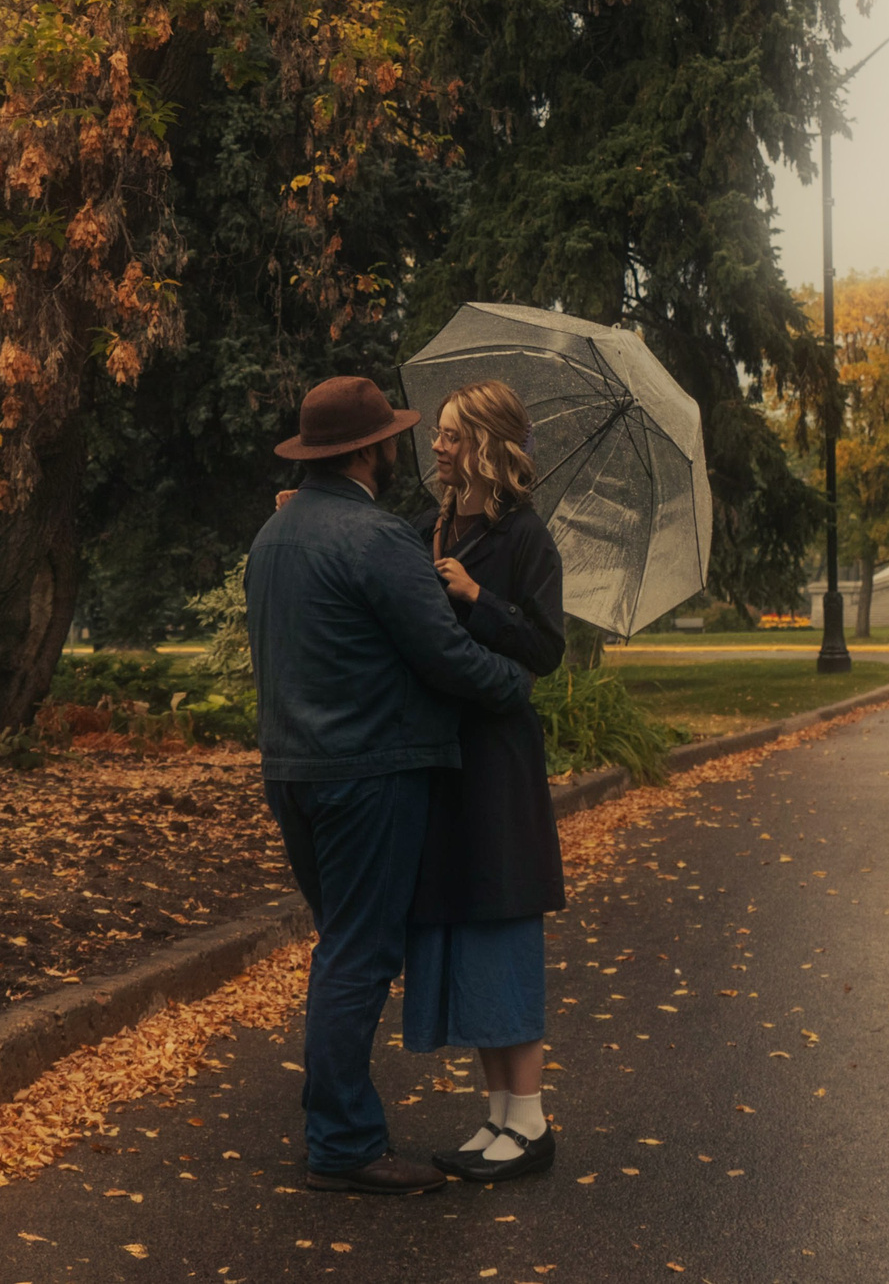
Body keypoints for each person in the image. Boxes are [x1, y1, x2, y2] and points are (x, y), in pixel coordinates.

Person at [248, 375, 541, 1195]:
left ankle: (332, 1123)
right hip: (366, 774)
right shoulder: (377, 539)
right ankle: (341, 1142)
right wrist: (513, 683)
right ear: (370, 449)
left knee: (339, 944)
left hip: (292, 770)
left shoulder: (273, 537)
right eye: (394, 437)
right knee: (360, 953)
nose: (408, 448)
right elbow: (446, 654)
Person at [401, 380, 568, 1182]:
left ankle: (530, 1123)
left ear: (489, 444)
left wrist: (478, 598)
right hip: (449, 757)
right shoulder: (434, 523)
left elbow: (545, 647)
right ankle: (496, 1115)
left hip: (499, 760)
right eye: (437, 432)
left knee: (501, 922)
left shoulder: (526, 536)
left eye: (453, 433)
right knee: (468, 923)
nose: (438, 444)